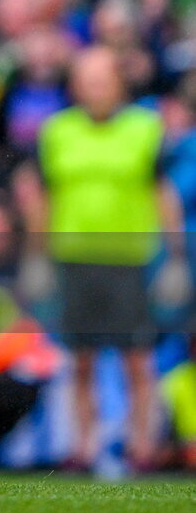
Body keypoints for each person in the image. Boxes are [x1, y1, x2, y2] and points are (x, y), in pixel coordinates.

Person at [24, 45, 188, 470]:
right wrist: (36, 254)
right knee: (79, 359)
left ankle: (142, 447)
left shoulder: (145, 129)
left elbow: (163, 191)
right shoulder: (57, 130)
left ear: (119, 82)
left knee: (138, 358)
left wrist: (175, 255)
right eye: (85, 79)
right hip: (73, 257)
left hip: (129, 259)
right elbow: (42, 193)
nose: (93, 88)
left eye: (101, 79)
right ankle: (83, 447)